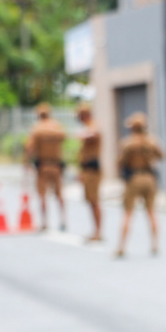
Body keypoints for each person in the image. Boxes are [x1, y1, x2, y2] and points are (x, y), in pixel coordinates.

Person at [115, 112, 163, 258]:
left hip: (134, 178)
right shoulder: (152, 141)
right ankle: (155, 244)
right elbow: (161, 155)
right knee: (151, 212)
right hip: (149, 178)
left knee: (128, 212)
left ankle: (122, 247)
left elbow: (120, 162)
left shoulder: (127, 143)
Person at [24, 103, 67, 231]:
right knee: (59, 194)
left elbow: (29, 148)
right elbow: (64, 141)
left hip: (43, 166)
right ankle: (63, 219)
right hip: (57, 165)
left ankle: (44, 222)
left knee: (42, 194)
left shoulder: (37, 129)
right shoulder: (57, 127)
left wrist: (26, 162)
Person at [75, 103, 104, 242]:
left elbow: (93, 133)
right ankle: (95, 231)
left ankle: (98, 232)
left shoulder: (93, 126)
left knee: (94, 201)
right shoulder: (88, 127)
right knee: (91, 202)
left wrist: (83, 135)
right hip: (87, 169)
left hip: (93, 170)